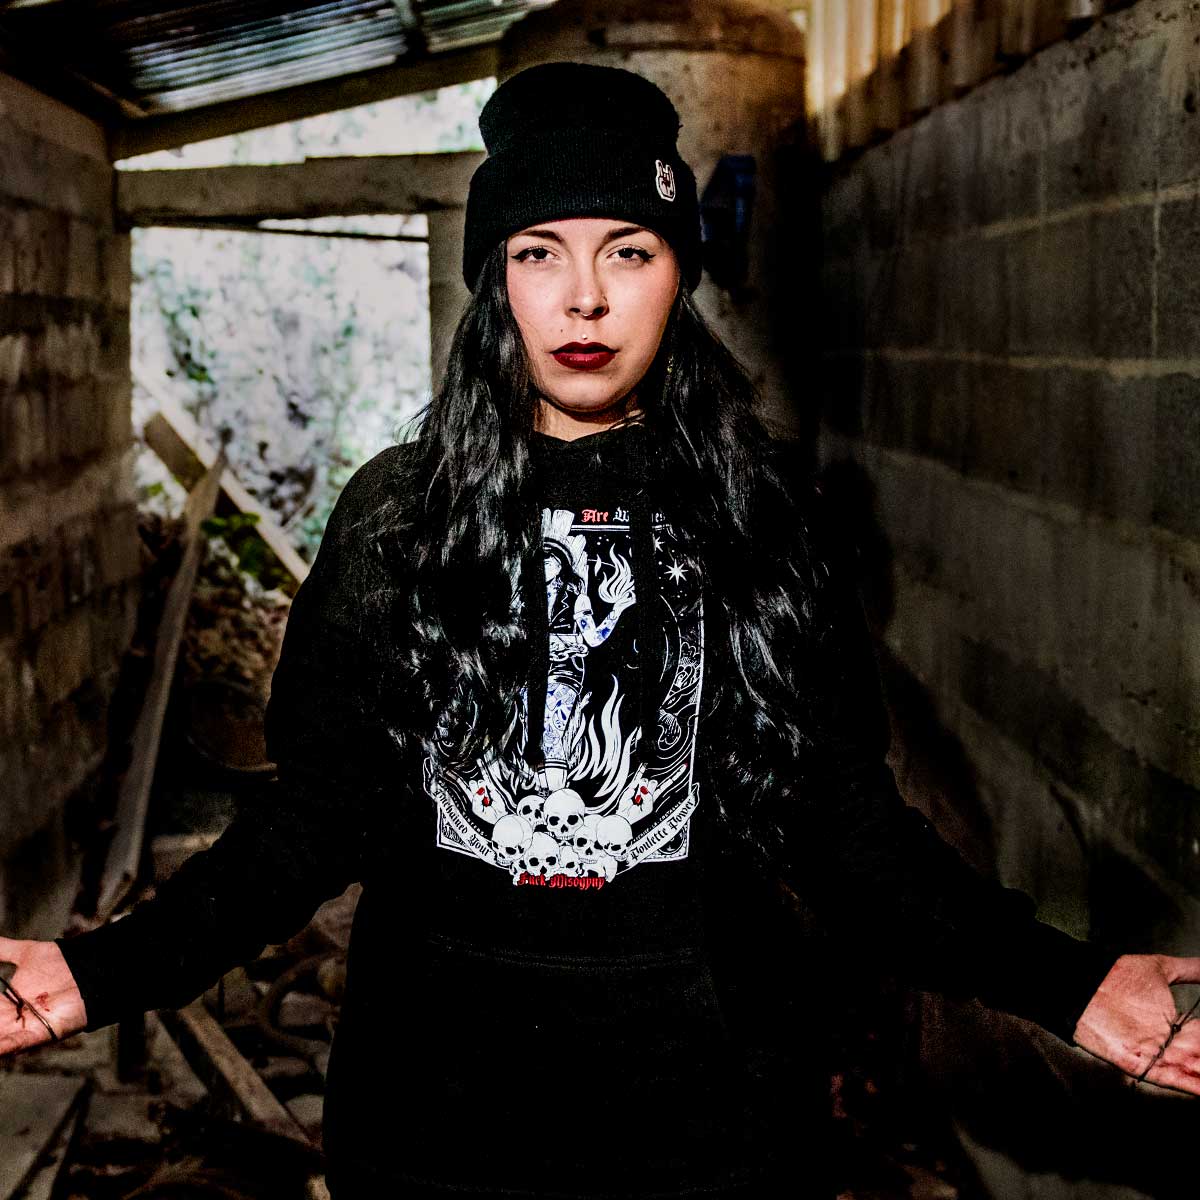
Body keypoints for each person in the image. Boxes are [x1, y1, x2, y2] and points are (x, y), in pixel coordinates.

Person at [2, 60, 1198, 1199]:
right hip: (435, 1134)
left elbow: (846, 830)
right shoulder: (398, 519)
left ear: (679, 274)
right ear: (496, 280)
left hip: (706, 1138)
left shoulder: (761, 517)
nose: (586, 297)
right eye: (540, 253)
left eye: (629, 250)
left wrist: (1073, 986)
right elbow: (309, 824)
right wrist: (93, 974)